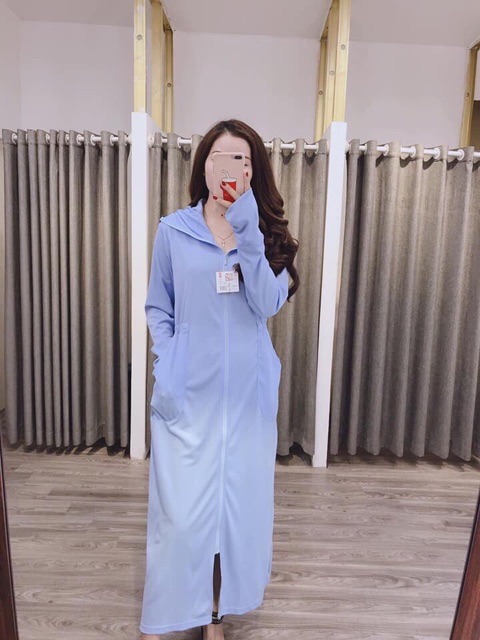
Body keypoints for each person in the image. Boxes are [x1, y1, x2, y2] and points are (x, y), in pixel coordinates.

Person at [139, 119, 299, 640]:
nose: (233, 169)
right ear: (204, 166)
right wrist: (170, 358)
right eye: (222, 158)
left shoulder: (267, 236)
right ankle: (170, 610)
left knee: (233, 515)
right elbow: (158, 305)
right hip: (188, 395)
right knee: (182, 516)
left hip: (246, 401)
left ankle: (213, 615)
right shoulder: (173, 231)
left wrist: (248, 230)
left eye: (244, 161)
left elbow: (267, 303)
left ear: (255, 172)